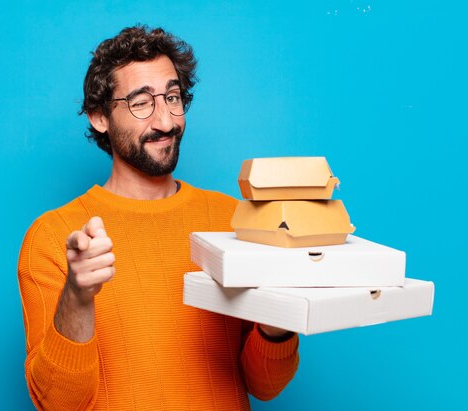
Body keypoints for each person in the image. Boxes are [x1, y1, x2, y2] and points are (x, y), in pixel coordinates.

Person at [17, 25, 299, 411]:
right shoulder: (51, 238)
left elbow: (264, 386)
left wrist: (276, 318)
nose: (166, 121)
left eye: (172, 97)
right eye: (141, 102)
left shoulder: (234, 220)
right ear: (99, 116)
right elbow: (60, 403)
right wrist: (78, 296)